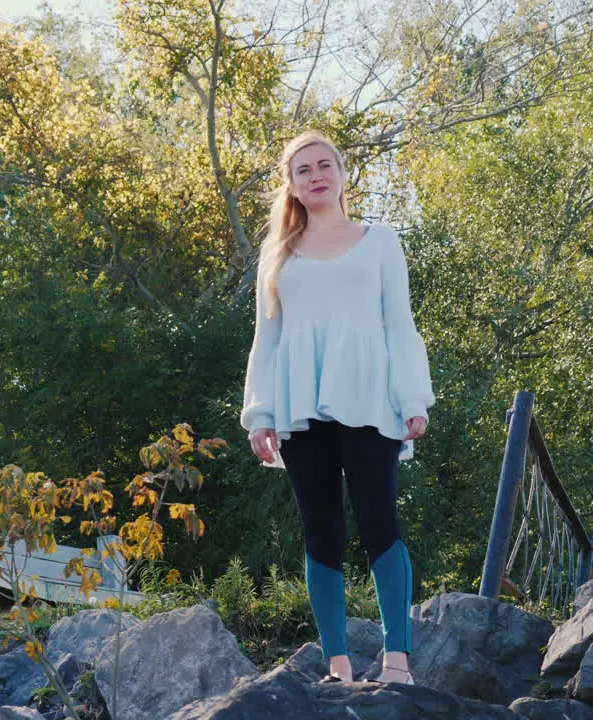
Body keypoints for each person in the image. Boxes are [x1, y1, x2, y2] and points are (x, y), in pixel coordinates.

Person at [240, 129, 435, 686]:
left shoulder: (381, 241)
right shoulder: (277, 252)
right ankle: (338, 665)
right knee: (321, 528)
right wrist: (261, 413)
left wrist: (413, 397)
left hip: (372, 398)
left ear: (342, 172)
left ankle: (398, 661)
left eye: (325, 164)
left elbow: (400, 324)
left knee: (381, 521)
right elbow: (267, 337)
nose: (317, 174)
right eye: (304, 170)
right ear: (293, 186)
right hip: (301, 405)